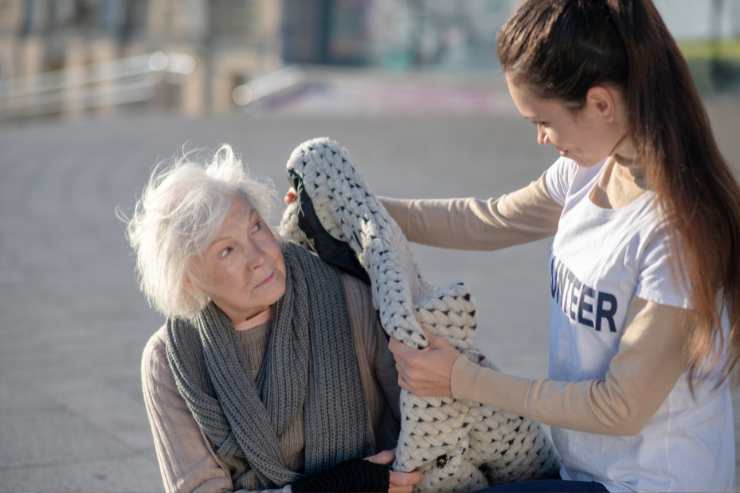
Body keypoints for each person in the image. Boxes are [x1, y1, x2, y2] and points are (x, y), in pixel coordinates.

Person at [378, 1, 740, 492]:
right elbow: (489, 220)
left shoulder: (677, 233)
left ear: (601, 104)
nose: (542, 139)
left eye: (542, 121)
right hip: (588, 475)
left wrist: (462, 380)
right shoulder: (591, 166)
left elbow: (621, 407)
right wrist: (361, 207)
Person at [127, 145, 422, 493]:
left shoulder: (347, 298)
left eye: (255, 227)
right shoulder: (171, 359)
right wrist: (340, 487)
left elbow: (420, 424)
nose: (259, 256)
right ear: (189, 278)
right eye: (227, 250)